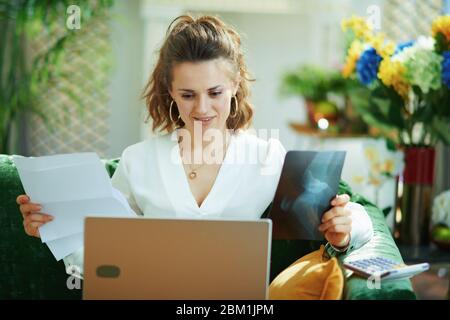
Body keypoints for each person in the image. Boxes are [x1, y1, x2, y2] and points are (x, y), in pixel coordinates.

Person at [16, 15, 373, 279]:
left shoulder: (267, 157)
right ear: (170, 92)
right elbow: (101, 249)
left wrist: (343, 230)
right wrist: (54, 228)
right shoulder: (138, 161)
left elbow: (356, 217)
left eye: (215, 93)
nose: (202, 109)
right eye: (187, 95)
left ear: (234, 84)